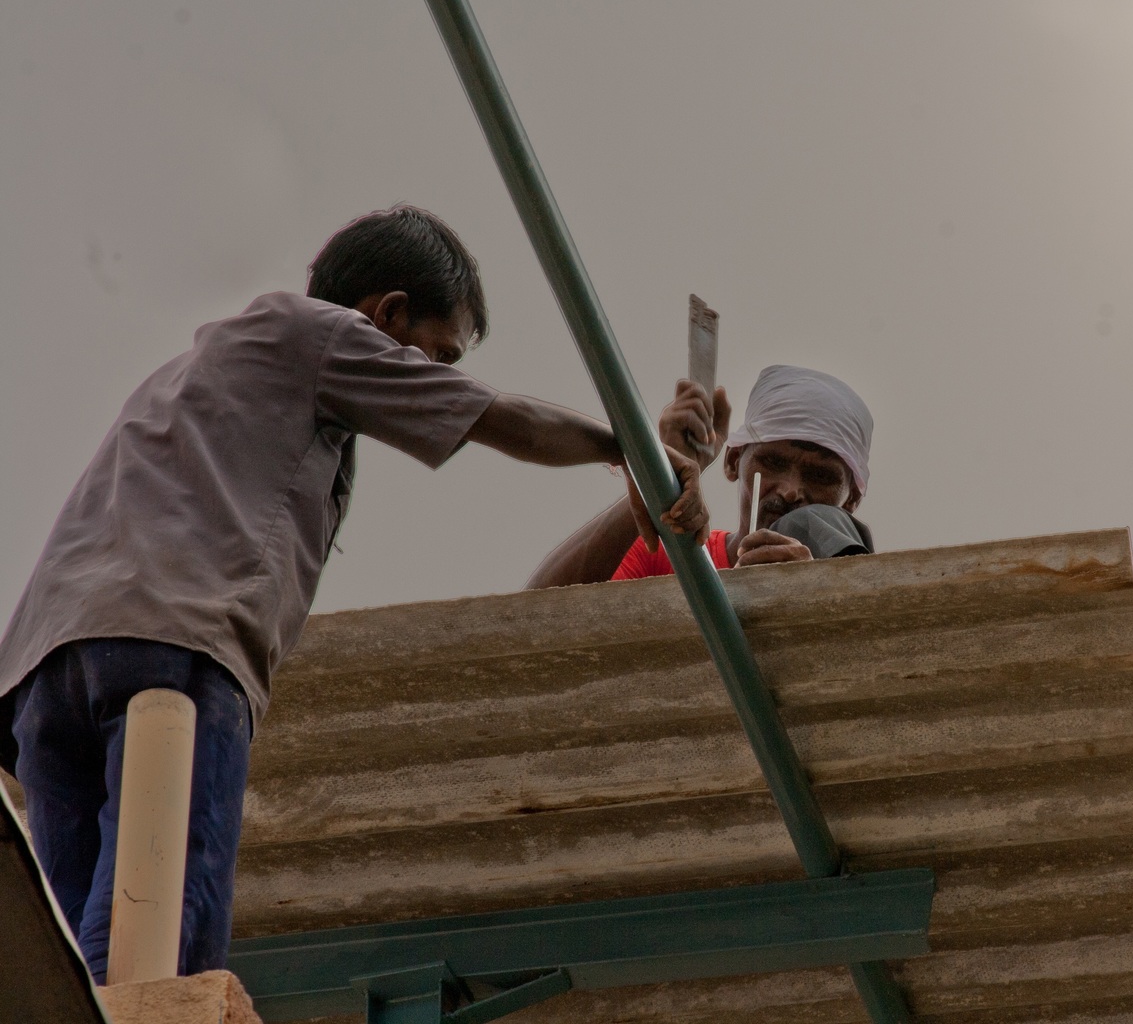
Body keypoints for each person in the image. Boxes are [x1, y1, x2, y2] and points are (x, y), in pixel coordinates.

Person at [0, 205, 706, 982]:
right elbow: (507, 422)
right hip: (174, 648)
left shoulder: (214, 372)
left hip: (44, 678)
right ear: (388, 314)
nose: (435, 379)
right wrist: (634, 444)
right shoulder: (313, 333)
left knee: (65, 958)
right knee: (162, 928)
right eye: (437, 355)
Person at [526, 363, 873, 588]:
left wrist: (816, 591)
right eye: (772, 462)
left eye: (820, 476)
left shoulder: (859, 586)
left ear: (852, 498)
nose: (791, 490)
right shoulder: (670, 554)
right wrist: (658, 477)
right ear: (734, 461)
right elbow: (532, 612)